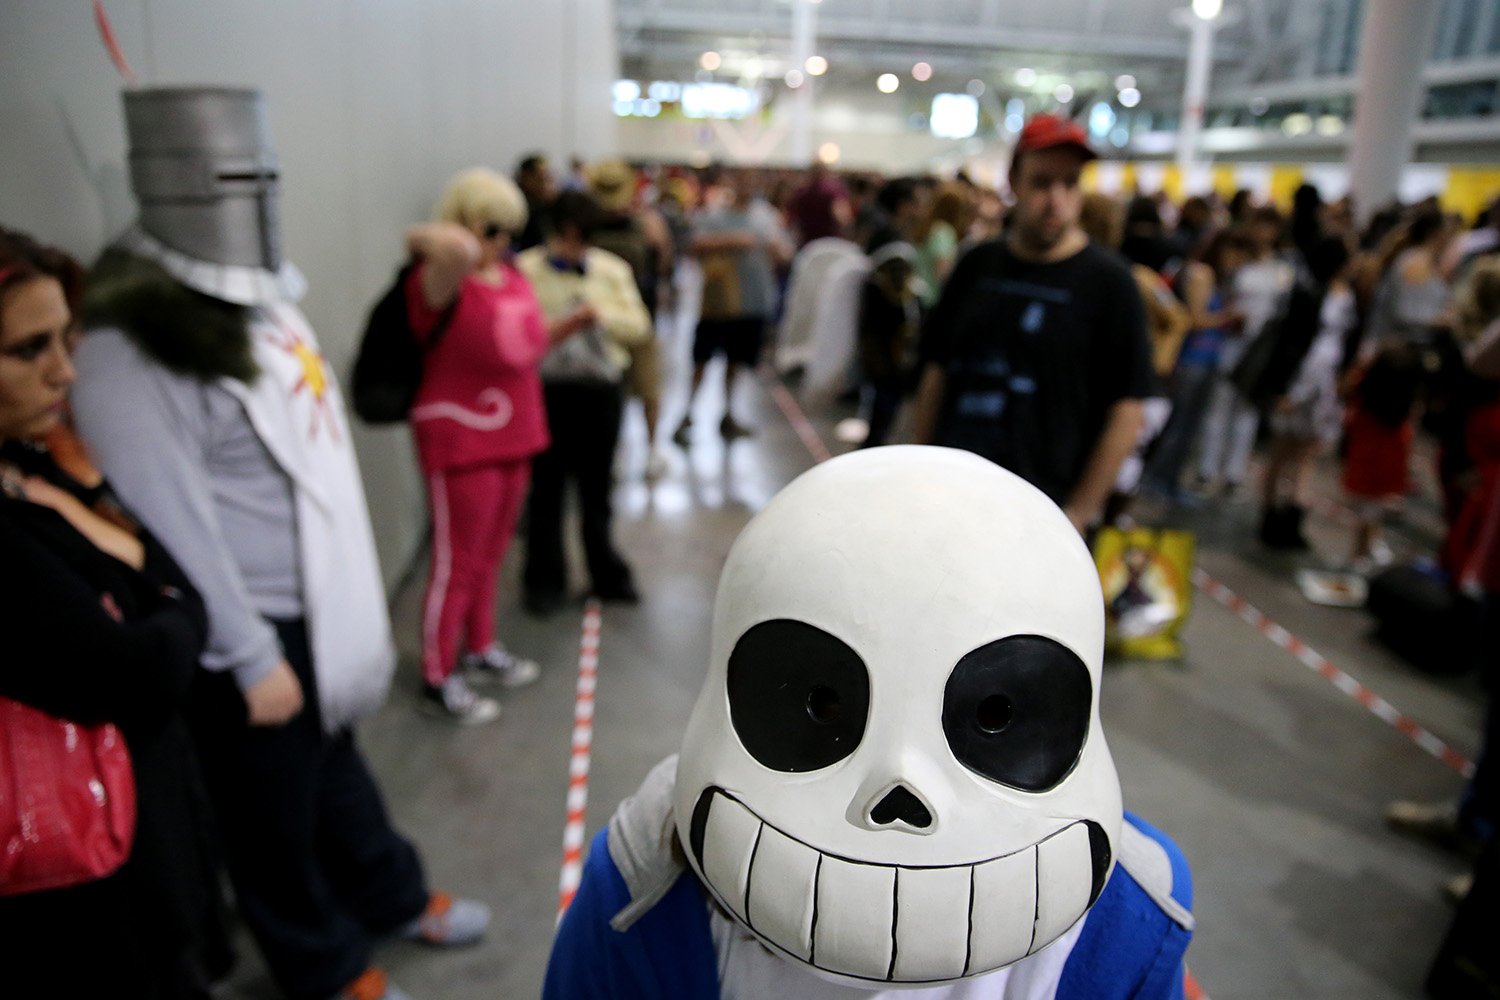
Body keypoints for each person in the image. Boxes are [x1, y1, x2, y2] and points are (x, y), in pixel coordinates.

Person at [70, 87, 485, 1000]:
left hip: (317, 610)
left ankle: (389, 893)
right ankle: (322, 964)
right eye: (229, 177)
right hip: (249, 629)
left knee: (337, 774)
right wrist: (249, 652)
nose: (250, 197)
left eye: (262, 175)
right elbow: (172, 521)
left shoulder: (259, 307)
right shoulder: (129, 348)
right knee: (269, 816)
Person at [544, 447, 1194, 999]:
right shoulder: (643, 887)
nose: (900, 802)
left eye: (994, 715)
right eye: (824, 707)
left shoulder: (1124, 927)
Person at [0, 228, 231, 998]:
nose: (64, 370)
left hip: (145, 842)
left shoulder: (38, 463)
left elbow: (176, 589)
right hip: (75, 896)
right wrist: (169, 620)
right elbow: (132, 669)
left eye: (65, 339)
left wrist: (167, 617)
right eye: (28, 349)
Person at [912, 114, 1154, 533]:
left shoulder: (1110, 283)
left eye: (1070, 183)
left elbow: (1127, 408)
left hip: (1043, 513)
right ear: (1014, 181)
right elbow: (937, 370)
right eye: (1042, 182)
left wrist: (1079, 513)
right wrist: (917, 467)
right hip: (952, 494)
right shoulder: (977, 265)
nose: (1056, 199)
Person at [402, 167, 552, 724]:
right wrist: (458, 233)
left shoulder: (510, 276)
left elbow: (526, 345)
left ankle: (479, 645)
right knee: (455, 563)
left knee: (490, 558)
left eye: (509, 231)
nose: (502, 243)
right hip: (461, 434)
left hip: (517, 430)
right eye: (491, 229)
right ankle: (437, 673)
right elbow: (438, 248)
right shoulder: (441, 276)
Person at [517, 190, 653, 616]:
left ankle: (605, 574)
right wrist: (558, 326)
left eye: (584, 239)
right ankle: (544, 581)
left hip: (599, 394)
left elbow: (639, 326)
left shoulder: (611, 270)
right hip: (546, 392)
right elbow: (515, 331)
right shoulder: (524, 271)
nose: (576, 247)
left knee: (597, 491)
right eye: (570, 238)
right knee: (547, 492)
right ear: (554, 233)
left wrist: (602, 317)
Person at [674, 170, 791, 446]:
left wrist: (775, 248)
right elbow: (694, 244)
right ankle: (687, 414)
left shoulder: (767, 216)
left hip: (753, 302)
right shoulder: (714, 215)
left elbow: (785, 252)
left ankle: (728, 414)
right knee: (702, 360)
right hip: (719, 303)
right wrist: (735, 240)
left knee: (736, 361)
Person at [1255, 236, 1356, 550]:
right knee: (1285, 452)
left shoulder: (1334, 294)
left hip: (1320, 383)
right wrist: (1285, 388)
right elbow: (1292, 345)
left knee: (1302, 453)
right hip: (1303, 380)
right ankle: (1274, 518)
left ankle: (1288, 519)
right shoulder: (1309, 293)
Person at [1140, 229, 1252, 504]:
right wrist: (1227, 316)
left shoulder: (1207, 274)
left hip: (1204, 360)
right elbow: (1195, 319)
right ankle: (1157, 482)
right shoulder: (1202, 273)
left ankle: (1167, 481)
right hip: (1193, 360)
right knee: (1178, 427)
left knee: (1187, 428)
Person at [1198, 205, 1294, 497]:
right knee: (1219, 408)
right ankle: (1208, 468)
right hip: (1229, 342)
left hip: (1260, 348)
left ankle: (1233, 471)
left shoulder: (1283, 268)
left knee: (1246, 411)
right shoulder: (1238, 260)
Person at [588, 159, 674, 481]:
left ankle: (651, 450)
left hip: (638, 319)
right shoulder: (590, 226)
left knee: (648, 389)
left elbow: (663, 265)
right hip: (600, 323)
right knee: (612, 393)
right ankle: (615, 452)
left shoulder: (644, 224)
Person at [515, 152, 558, 252]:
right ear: (526, 179)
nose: (549, 186)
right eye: (543, 179)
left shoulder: (549, 208)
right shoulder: (517, 211)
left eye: (550, 179)